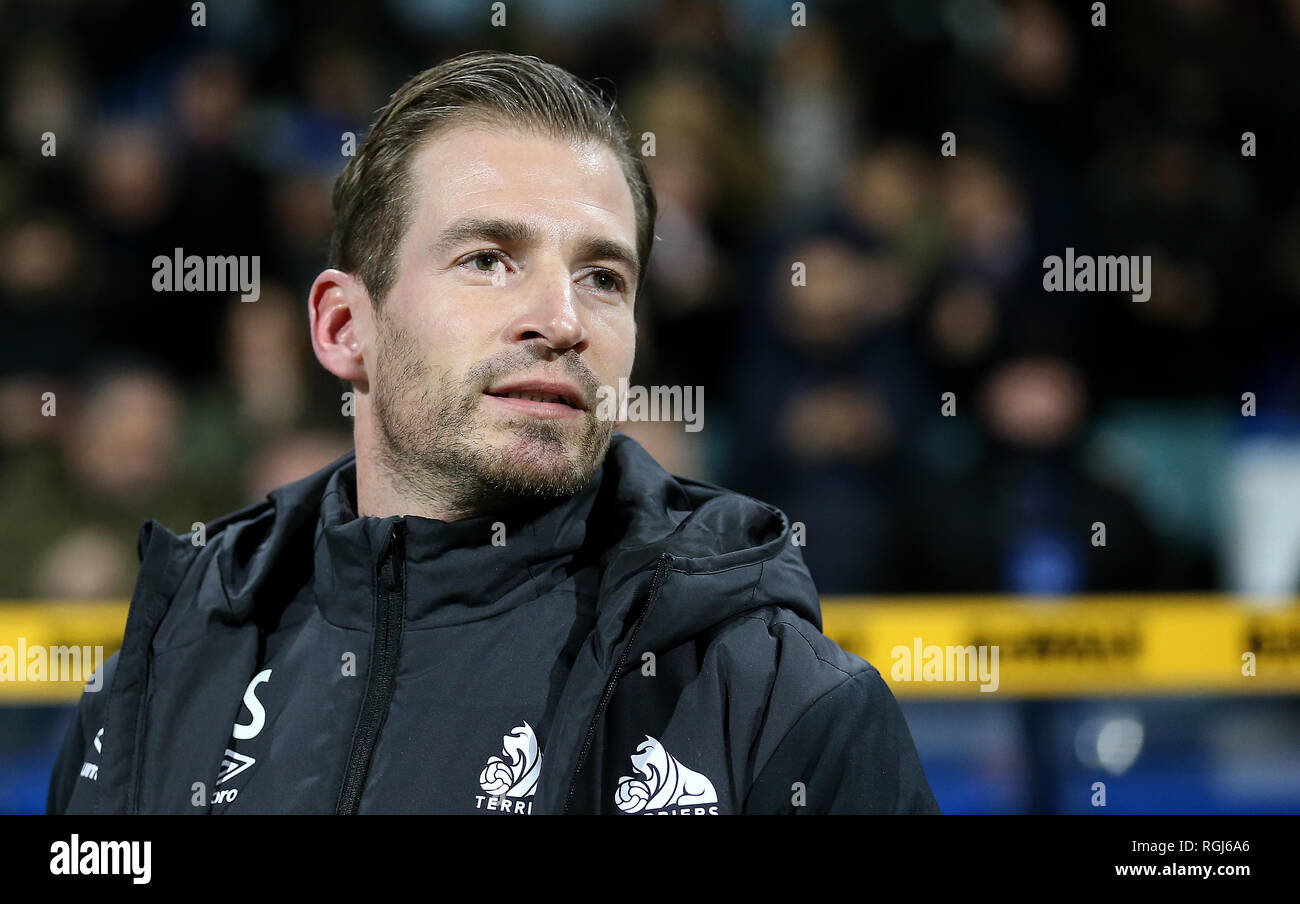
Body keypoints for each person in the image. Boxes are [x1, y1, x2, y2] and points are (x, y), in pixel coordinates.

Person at [47, 50, 939, 815]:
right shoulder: (163, 674)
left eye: (603, 278)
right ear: (342, 328)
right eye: (487, 260)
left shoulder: (781, 698)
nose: (561, 319)